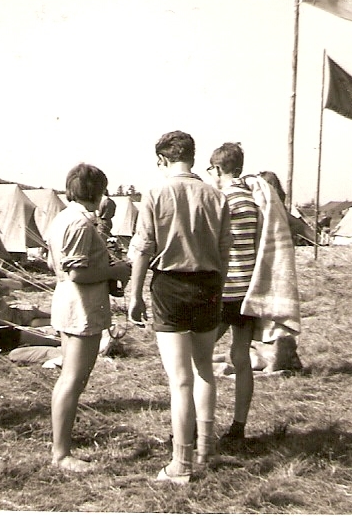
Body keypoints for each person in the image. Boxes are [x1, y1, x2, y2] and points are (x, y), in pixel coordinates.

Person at [128, 131, 231, 483]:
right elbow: (225, 251)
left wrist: (134, 292)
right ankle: (205, 447)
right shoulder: (216, 195)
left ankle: (181, 463)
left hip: (170, 286)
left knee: (180, 381)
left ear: (162, 160)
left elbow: (142, 247)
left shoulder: (156, 193)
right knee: (205, 370)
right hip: (208, 284)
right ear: (192, 155)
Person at [47, 163, 131, 472]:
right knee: (73, 379)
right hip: (81, 305)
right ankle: (61, 454)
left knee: (70, 377)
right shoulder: (81, 224)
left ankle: (61, 445)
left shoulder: (63, 218)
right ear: (98, 192)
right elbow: (77, 272)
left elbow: (57, 265)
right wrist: (116, 270)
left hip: (69, 302)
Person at [207, 143, 261, 448]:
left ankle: (200, 423)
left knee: (196, 354)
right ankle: (238, 426)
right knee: (241, 358)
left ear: (216, 170)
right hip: (248, 291)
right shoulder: (252, 200)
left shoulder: (221, 198)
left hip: (224, 289)